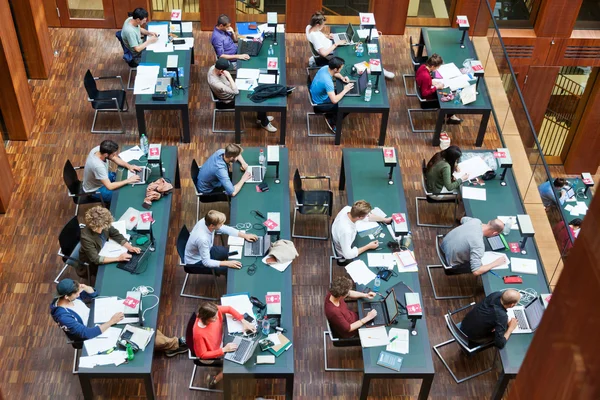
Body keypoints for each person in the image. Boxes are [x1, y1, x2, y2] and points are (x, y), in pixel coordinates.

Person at [50, 279, 188, 356]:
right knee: (142, 334)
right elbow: (87, 333)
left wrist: (85, 288)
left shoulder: (69, 298)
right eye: (76, 293)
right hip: (93, 334)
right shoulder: (63, 317)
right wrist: (111, 321)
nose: (79, 294)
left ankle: (170, 344)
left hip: (98, 319)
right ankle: (173, 344)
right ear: (67, 296)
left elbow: (93, 295)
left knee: (142, 326)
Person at [305, 11, 395, 79]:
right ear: (317, 24)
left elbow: (318, 33)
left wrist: (328, 36)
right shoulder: (315, 37)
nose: (323, 26)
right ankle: (380, 70)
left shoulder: (309, 27)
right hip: (331, 53)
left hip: (331, 44)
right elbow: (324, 53)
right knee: (355, 56)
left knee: (352, 44)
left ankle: (379, 68)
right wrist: (337, 43)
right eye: (322, 25)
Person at [193, 301, 256, 388]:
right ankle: (215, 379)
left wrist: (243, 320)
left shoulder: (213, 310)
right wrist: (223, 350)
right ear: (206, 318)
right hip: (212, 354)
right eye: (214, 318)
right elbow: (202, 355)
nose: (217, 317)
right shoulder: (198, 334)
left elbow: (228, 309)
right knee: (235, 364)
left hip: (221, 341)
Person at [207, 58, 277, 132]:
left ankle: (261, 118)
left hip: (232, 89)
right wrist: (229, 76)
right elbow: (235, 91)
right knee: (258, 100)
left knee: (257, 90)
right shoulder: (216, 83)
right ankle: (264, 123)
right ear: (221, 71)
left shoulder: (213, 68)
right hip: (231, 100)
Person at [79, 206, 141, 279]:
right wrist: (118, 258)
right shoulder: (86, 238)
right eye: (101, 227)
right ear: (93, 227)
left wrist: (129, 247)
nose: (104, 228)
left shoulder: (104, 223)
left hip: (104, 249)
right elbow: (95, 259)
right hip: (91, 261)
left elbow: (115, 234)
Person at [184, 210, 258, 271]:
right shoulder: (202, 239)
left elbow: (226, 229)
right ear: (212, 226)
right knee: (230, 269)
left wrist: (245, 235)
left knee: (234, 252)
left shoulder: (206, 220)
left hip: (207, 250)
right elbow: (206, 262)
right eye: (220, 224)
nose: (222, 225)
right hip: (197, 261)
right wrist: (227, 263)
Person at [331, 200, 392, 264]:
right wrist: (368, 246)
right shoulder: (347, 231)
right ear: (359, 217)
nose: (369, 215)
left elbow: (368, 218)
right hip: (343, 252)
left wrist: (385, 220)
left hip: (341, 237)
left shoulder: (348, 209)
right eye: (367, 215)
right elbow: (348, 255)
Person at [440, 217, 506, 276]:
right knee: (481, 265)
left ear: (489, 222)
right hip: (450, 263)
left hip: (443, 246)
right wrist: (495, 263)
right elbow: (476, 271)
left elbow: (462, 219)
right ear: (495, 233)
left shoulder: (475, 221)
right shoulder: (478, 245)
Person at [82, 140, 142, 204]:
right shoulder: (98, 166)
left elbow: (114, 158)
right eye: (113, 154)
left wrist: (129, 166)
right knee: (122, 196)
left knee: (122, 177)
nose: (115, 155)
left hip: (101, 178)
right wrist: (128, 180)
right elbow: (109, 186)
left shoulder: (99, 149)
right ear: (106, 155)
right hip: (96, 189)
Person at [309, 56, 354, 134]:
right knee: (348, 106)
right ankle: (332, 121)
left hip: (318, 95)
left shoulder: (325, 67)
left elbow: (335, 74)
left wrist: (342, 78)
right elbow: (334, 100)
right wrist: (345, 90)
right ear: (336, 69)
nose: (341, 69)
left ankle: (332, 116)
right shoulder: (328, 82)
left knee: (342, 94)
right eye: (341, 68)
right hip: (320, 105)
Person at [415, 54, 461, 124]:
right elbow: (425, 93)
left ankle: (450, 115)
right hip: (427, 100)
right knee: (451, 101)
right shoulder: (426, 76)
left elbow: (423, 81)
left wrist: (431, 82)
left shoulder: (422, 67)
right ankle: (448, 117)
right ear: (433, 66)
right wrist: (436, 87)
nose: (437, 69)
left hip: (425, 89)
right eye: (437, 68)